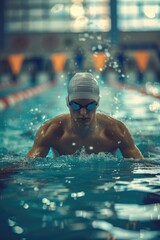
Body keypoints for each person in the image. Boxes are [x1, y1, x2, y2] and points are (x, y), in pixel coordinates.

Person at [26, 72, 143, 159]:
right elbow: (28, 167)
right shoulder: (51, 131)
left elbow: (140, 167)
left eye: (90, 106)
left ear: (98, 103)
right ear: (67, 103)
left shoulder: (116, 131)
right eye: (76, 106)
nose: (83, 113)